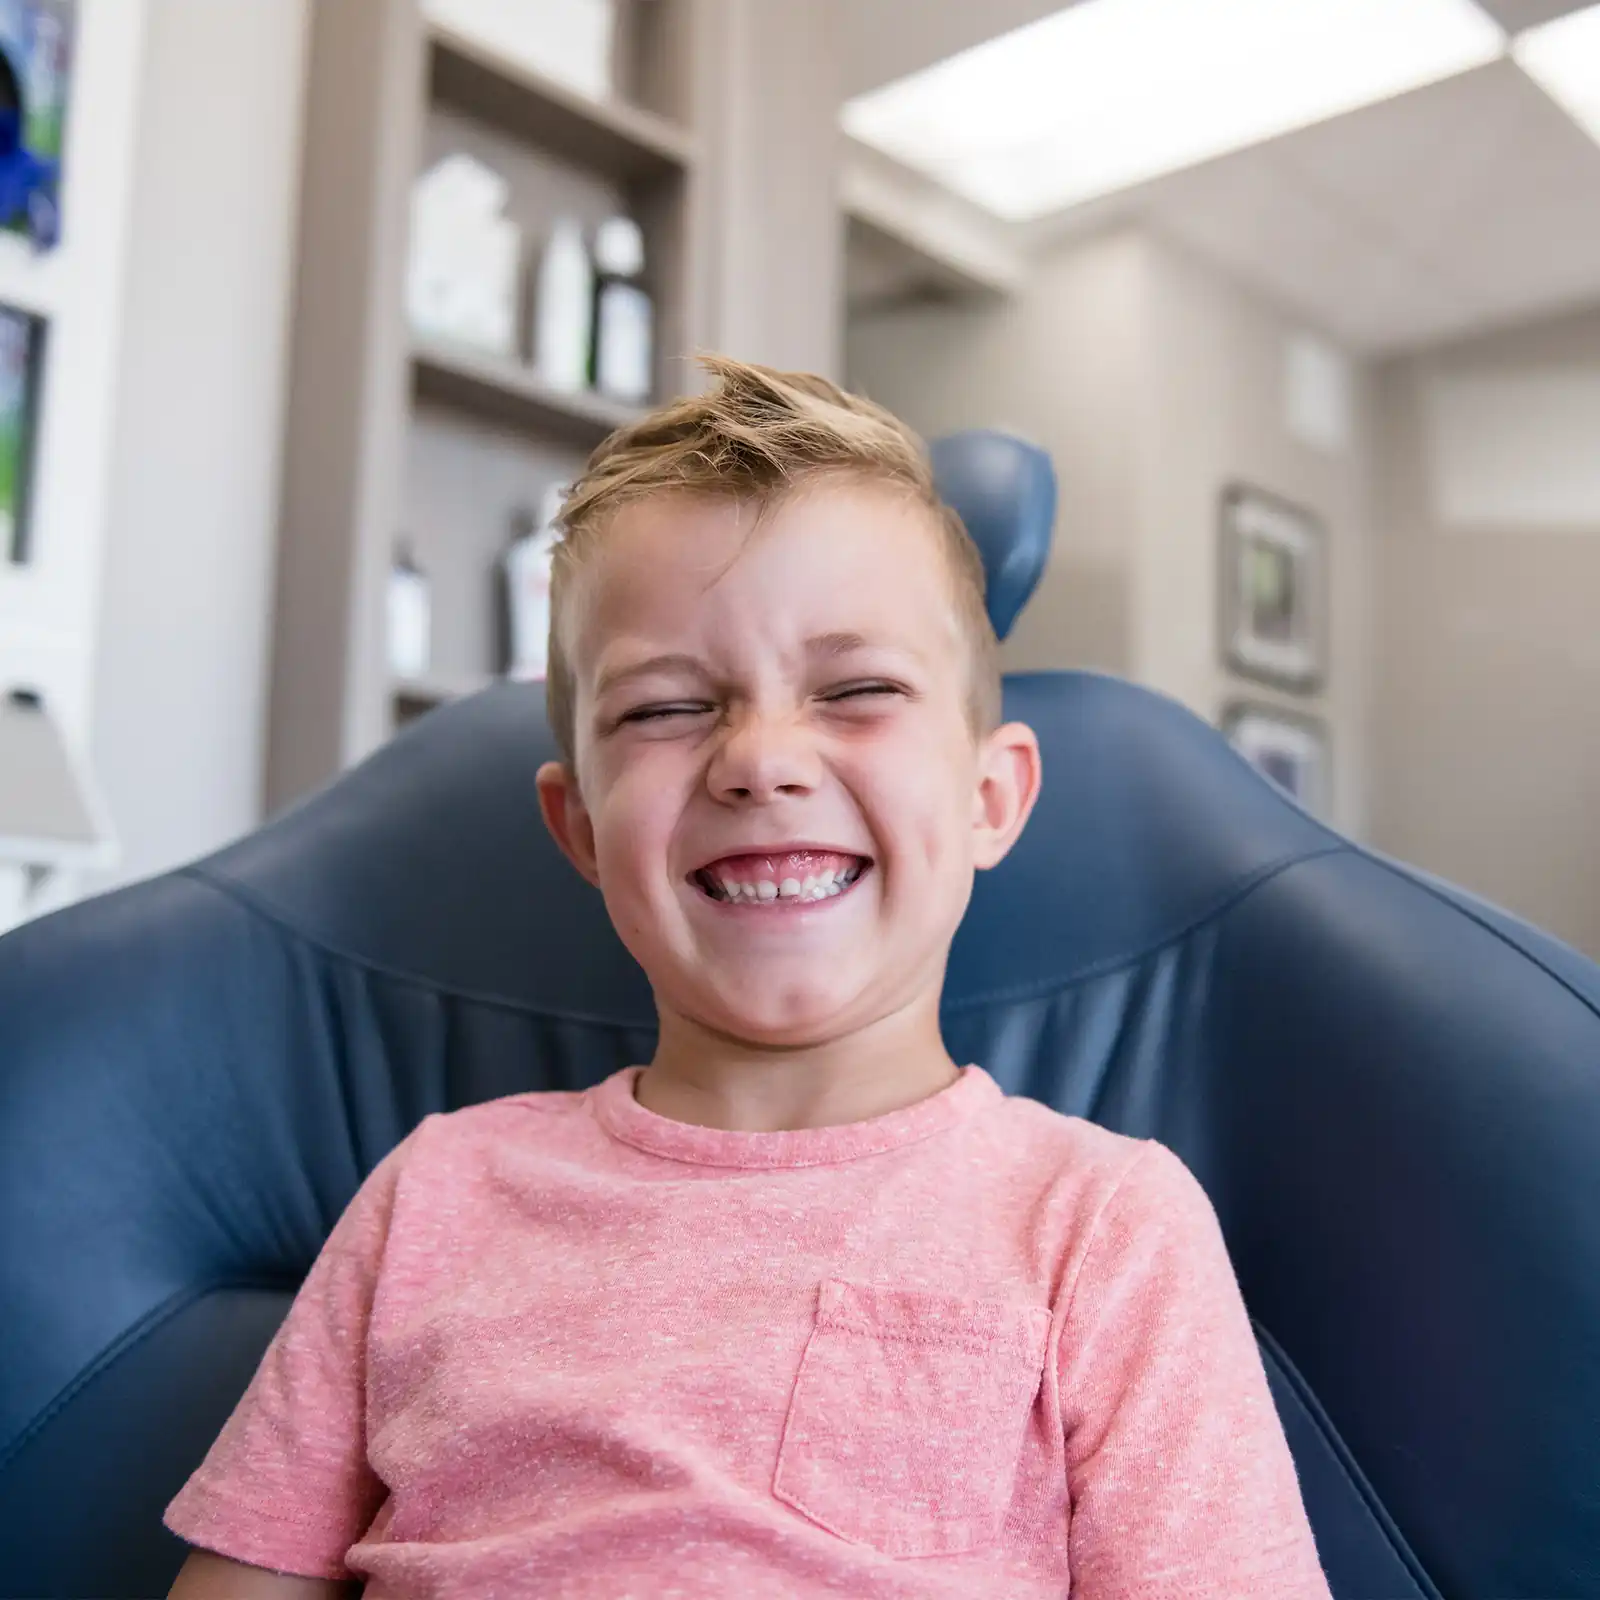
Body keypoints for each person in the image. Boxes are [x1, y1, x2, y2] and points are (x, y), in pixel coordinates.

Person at [165, 356, 1332, 1599]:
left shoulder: (1099, 1226)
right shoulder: (433, 1193)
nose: (761, 760)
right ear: (581, 829)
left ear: (991, 798)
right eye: (668, 709)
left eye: (858, 690)